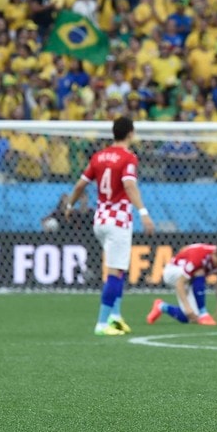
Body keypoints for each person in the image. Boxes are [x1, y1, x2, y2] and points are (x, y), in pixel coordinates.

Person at [65, 116, 154, 337]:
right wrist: (143, 212)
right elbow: (129, 185)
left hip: (100, 220)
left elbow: (80, 185)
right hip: (118, 221)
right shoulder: (128, 158)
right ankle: (102, 323)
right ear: (131, 133)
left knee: (118, 269)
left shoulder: (98, 156)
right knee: (115, 273)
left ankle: (116, 317)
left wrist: (69, 205)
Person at [146, 242, 217, 326]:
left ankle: (161, 306)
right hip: (172, 272)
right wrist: (187, 306)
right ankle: (203, 313)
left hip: (188, 279)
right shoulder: (199, 257)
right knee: (199, 271)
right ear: (214, 253)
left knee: (190, 317)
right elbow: (180, 283)